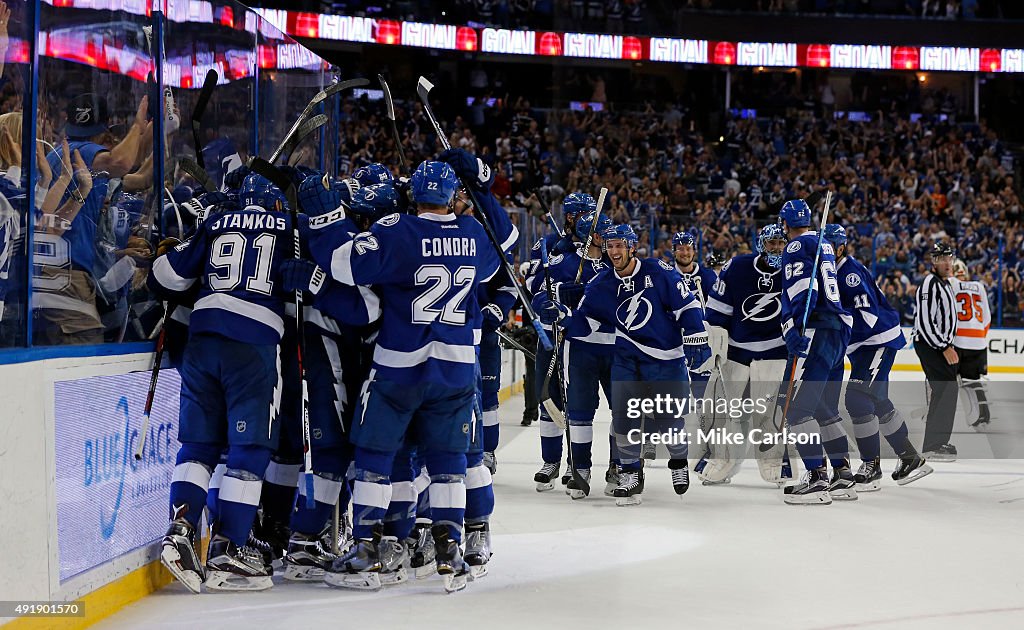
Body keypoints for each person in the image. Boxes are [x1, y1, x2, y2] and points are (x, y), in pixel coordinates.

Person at [304, 158, 508, 593]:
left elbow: (345, 264)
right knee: (450, 462)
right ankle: (450, 549)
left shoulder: (398, 229)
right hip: (454, 371)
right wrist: (484, 184)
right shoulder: (473, 233)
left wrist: (324, 222)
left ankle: (366, 550)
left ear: (413, 194)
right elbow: (500, 251)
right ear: (454, 196)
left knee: (376, 457)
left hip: (400, 367)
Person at [151, 172, 294, 593]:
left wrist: (177, 244)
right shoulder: (288, 226)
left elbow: (166, 278)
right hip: (253, 345)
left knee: (198, 446)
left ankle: (180, 531)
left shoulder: (214, 222)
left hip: (203, 337)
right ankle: (228, 549)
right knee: (249, 451)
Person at [539, 223, 710, 506]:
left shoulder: (658, 270)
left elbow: (687, 305)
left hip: (666, 358)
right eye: (611, 246)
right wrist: (564, 316)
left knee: (670, 421)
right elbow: (585, 324)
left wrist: (696, 337)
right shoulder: (602, 284)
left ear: (632, 247)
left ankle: (678, 461)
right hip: (627, 357)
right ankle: (630, 474)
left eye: (620, 245)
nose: (615, 251)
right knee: (624, 416)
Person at [823, 224, 932, 490]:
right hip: (864, 347)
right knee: (877, 400)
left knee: (857, 398)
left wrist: (835, 330)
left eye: (829, 248)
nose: (825, 253)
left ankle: (871, 465)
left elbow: (868, 317)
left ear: (841, 247)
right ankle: (910, 458)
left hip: (876, 342)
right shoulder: (831, 272)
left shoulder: (850, 274)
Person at [39, 93, 150, 345]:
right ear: (106, 126)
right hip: (68, 273)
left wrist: (152, 131)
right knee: (84, 347)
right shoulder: (86, 153)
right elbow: (121, 162)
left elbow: (134, 170)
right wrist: (137, 125)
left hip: (54, 269)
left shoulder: (57, 154)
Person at [530, 210, 616, 499]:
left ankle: (606, 466)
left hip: (608, 346)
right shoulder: (565, 259)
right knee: (557, 402)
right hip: (566, 341)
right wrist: (555, 297)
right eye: (604, 234)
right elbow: (537, 290)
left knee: (617, 408)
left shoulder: (615, 262)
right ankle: (554, 461)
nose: (610, 240)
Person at [698, 224, 790, 487]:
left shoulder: (794, 270)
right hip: (737, 353)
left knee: (770, 413)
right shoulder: (737, 267)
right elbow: (718, 310)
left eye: (781, 243)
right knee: (720, 411)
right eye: (771, 243)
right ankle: (723, 459)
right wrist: (714, 336)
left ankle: (774, 461)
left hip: (775, 352)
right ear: (761, 243)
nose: (777, 248)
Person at [777, 199, 853, 505]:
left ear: (785, 225)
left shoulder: (796, 247)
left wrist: (796, 328)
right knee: (823, 408)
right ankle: (843, 475)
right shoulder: (824, 245)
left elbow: (803, 288)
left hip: (816, 331)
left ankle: (817, 477)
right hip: (836, 332)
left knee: (797, 412)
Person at [913, 242, 959, 462]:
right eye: (942, 258)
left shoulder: (945, 285)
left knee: (945, 390)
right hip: (931, 345)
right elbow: (924, 322)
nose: (947, 262)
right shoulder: (930, 284)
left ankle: (935, 442)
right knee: (947, 389)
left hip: (939, 345)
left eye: (949, 258)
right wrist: (944, 346)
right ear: (934, 261)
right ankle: (934, 444)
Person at [951, 258, 993, 429]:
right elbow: (987, 317)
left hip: (959, 341)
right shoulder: (980, 286)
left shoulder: (951, 285)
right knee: (974, 380)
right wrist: (979, 337)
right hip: (979, 341)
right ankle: (984, 415)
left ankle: (939, 414)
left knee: (948, 380)